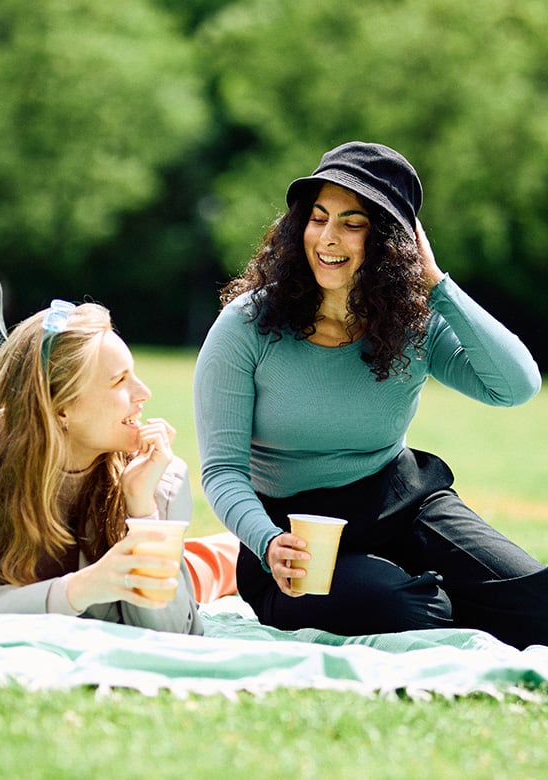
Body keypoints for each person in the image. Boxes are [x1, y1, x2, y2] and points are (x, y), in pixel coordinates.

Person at [193, 141, 547, 650]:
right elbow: (222, 471)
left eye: (352, 223)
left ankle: (437, 586)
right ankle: (428, 593)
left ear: (389, 241)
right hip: (291, 534)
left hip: (401, 502)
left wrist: (436, 283)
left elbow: (515, 386)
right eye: (318, 218)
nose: (327, 237)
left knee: (538, 609)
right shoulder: (248, 324)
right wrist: (268, 544)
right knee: (410, 610)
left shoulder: (414, 324)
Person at [0, 257, 237, 630]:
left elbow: (176, 631)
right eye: (120, 381)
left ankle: (9, 385)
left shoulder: (158, 480)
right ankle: (12, 391)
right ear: (63, 409)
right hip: (20, 452)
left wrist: (142, 512)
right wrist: (81, 588)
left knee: (225, 561)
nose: (144, 392)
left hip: (177, 568)